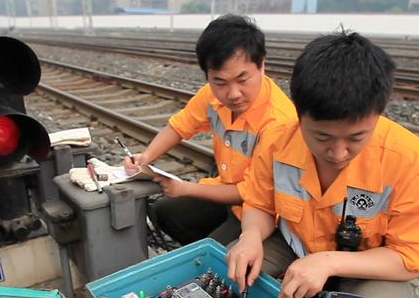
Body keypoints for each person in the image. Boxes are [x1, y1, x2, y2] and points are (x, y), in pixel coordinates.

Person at [226, 31, 419, 298]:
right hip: (294, 242)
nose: (338, 152)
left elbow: (409, 256)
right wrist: (249, 237)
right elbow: (259, 204)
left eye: (356, 138)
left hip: (366, 262)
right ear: (299, 115)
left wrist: (329, 262)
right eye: (322, 137)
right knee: (234, 270)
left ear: (377, 115)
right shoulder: (277, 140)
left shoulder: (413, 163)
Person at [123, 15, 296, 246]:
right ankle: (208, 246)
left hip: (260, 213)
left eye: (242, 79)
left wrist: (185, 188)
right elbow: (179, 125)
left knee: (208, 260)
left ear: (262, 65)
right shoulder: (211, 94)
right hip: (225, 192)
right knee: (164, 212)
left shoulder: (279, 121)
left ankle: (215, 253)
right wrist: (146, 157)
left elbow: (251, 192)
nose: (233, 93)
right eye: (220, 82)